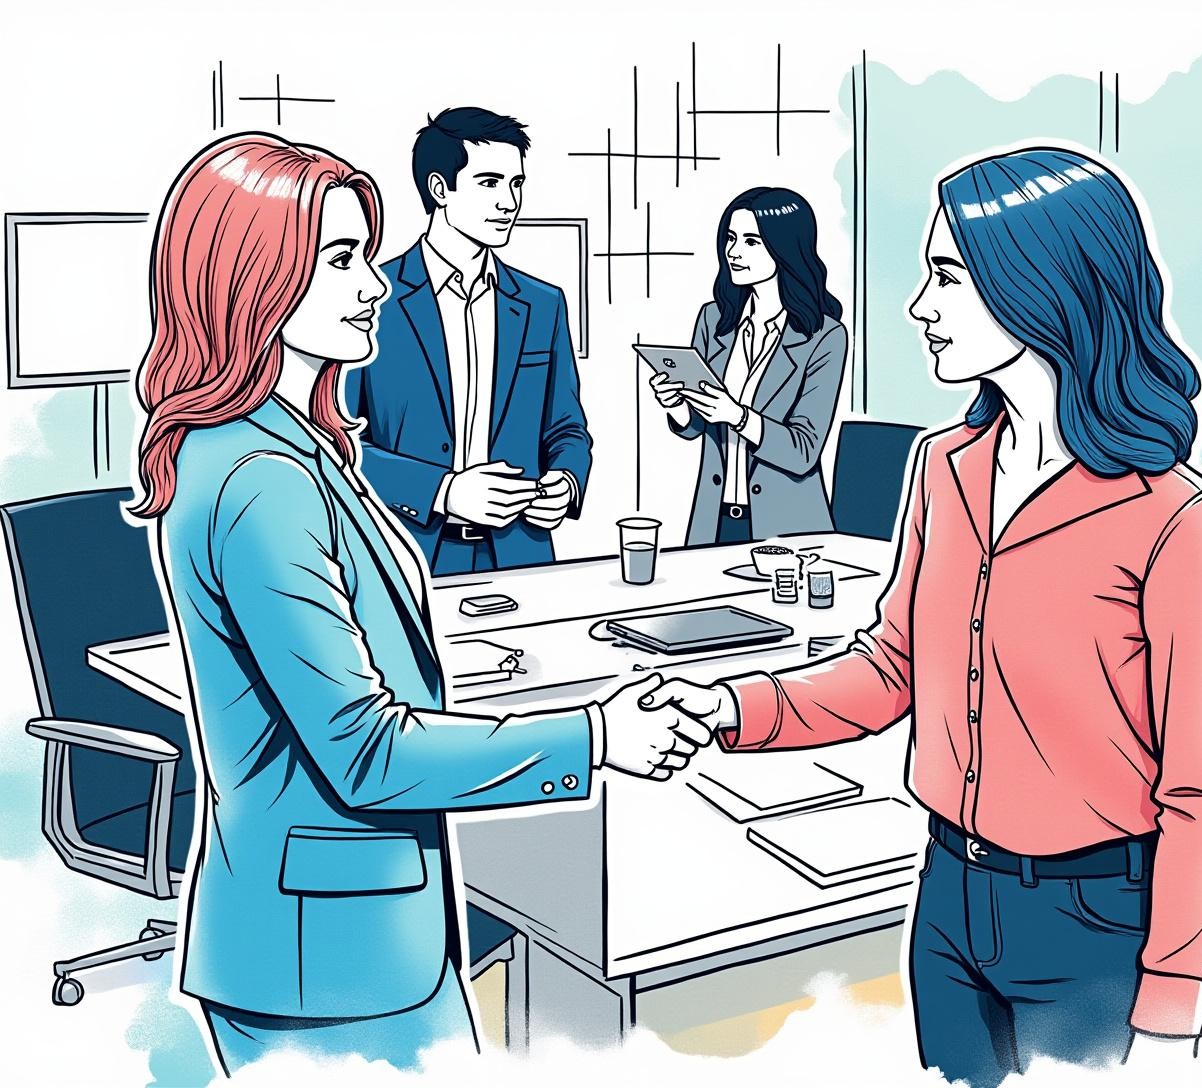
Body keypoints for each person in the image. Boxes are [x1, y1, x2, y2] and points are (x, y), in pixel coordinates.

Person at [640, 148, 1202, 1085]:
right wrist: (732, 706)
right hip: (949, 903)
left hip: (1096, 919)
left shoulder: (1182, 518)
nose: (922, 306)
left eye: (947, 277)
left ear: (1040, 287)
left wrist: (1173, 1003)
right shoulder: (944, 465)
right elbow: (890, 668)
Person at [131, 133, 709, 1076]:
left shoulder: (290, 445)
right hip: (325, 959)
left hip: (344, 930)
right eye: (340, 259)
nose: (369, 286)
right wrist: (596, 737)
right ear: (254, 279)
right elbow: (365, 752)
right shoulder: (259, 478)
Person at [344, 107, 592, 576]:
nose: (509, 202)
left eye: (516, 184)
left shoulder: (543, 304)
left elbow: (567, 428)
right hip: (409, 554)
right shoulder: (373, 296)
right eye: (490, 183)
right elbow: (339, 442)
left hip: (521, 555)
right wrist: (442, 491)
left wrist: (565, 482)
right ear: (440, 189)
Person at [649, 187, 847, 545]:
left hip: (789, 527)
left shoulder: (824, 336)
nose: (734, 252)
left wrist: (738, 416)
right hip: (716, 519)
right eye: (731, 238)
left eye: (752, 241)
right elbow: (697, 428)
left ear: (785, 248)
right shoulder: (714, 320)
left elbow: (803, 451)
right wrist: (677, 406)